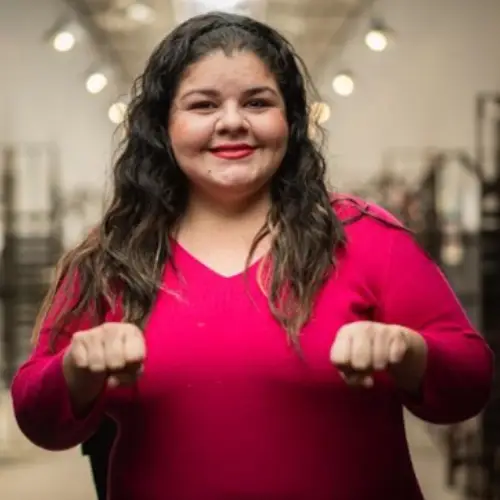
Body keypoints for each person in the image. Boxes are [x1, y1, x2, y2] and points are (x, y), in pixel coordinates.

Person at [10, 11, 493, 500]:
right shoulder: (113, 257)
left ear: (292, 119)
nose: (233, 123)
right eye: (203, 105)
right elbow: (38, 417)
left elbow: (471, 381)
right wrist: (75, 369)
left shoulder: (365, 238)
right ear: (162, 126)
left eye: (258, 102)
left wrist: (410, 352)